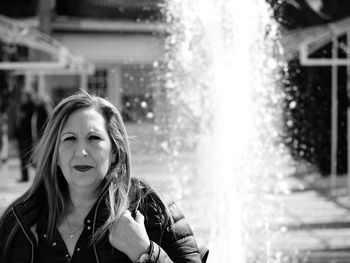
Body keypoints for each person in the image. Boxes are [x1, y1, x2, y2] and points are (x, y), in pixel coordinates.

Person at [0, 91, 203, 263]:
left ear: (115, 151)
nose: (81, 152)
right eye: (70, 139)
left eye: (94, 138)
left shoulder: (153, 211)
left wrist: (145, 252)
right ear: (56, 154)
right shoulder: (18, 224)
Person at [15, 90, 35, 182]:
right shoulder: (22, 108)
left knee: (30, 159)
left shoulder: (32, 108)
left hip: (29, 138)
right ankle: (25, 177)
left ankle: (44, 173)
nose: (23, 98)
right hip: (21, 138)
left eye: (24, 96)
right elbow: (19, 124)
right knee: (22, 158)